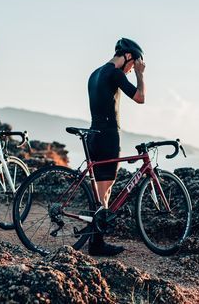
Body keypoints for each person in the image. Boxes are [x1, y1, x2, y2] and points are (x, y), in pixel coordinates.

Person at [87, 37, 146, 256]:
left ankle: (94, 237)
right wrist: (141, 75)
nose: (131, 70)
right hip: (109, 135)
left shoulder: (95, 73)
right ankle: (97, 244)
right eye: (133, 65)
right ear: (128, 56)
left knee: (98, 191)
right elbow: (140, 97)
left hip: (94, 133)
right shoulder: (115, 73)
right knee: (105, 191)